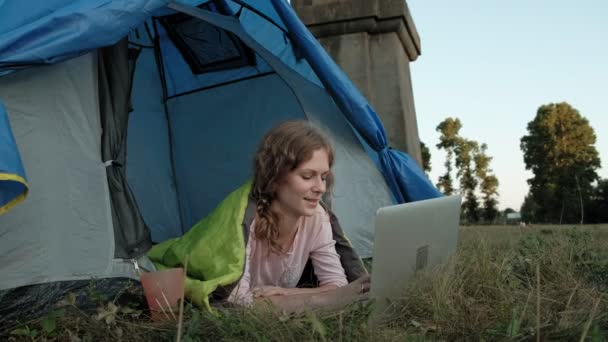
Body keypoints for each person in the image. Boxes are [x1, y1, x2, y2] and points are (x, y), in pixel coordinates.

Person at [227, 120, 370, 312]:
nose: (320, 188)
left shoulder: (318, 218)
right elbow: (238, 302)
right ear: (275, 177)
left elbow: (337, 286)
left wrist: (285, 293)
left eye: (324, 177)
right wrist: (320, 300)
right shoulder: (245, 223)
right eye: (307, 176)